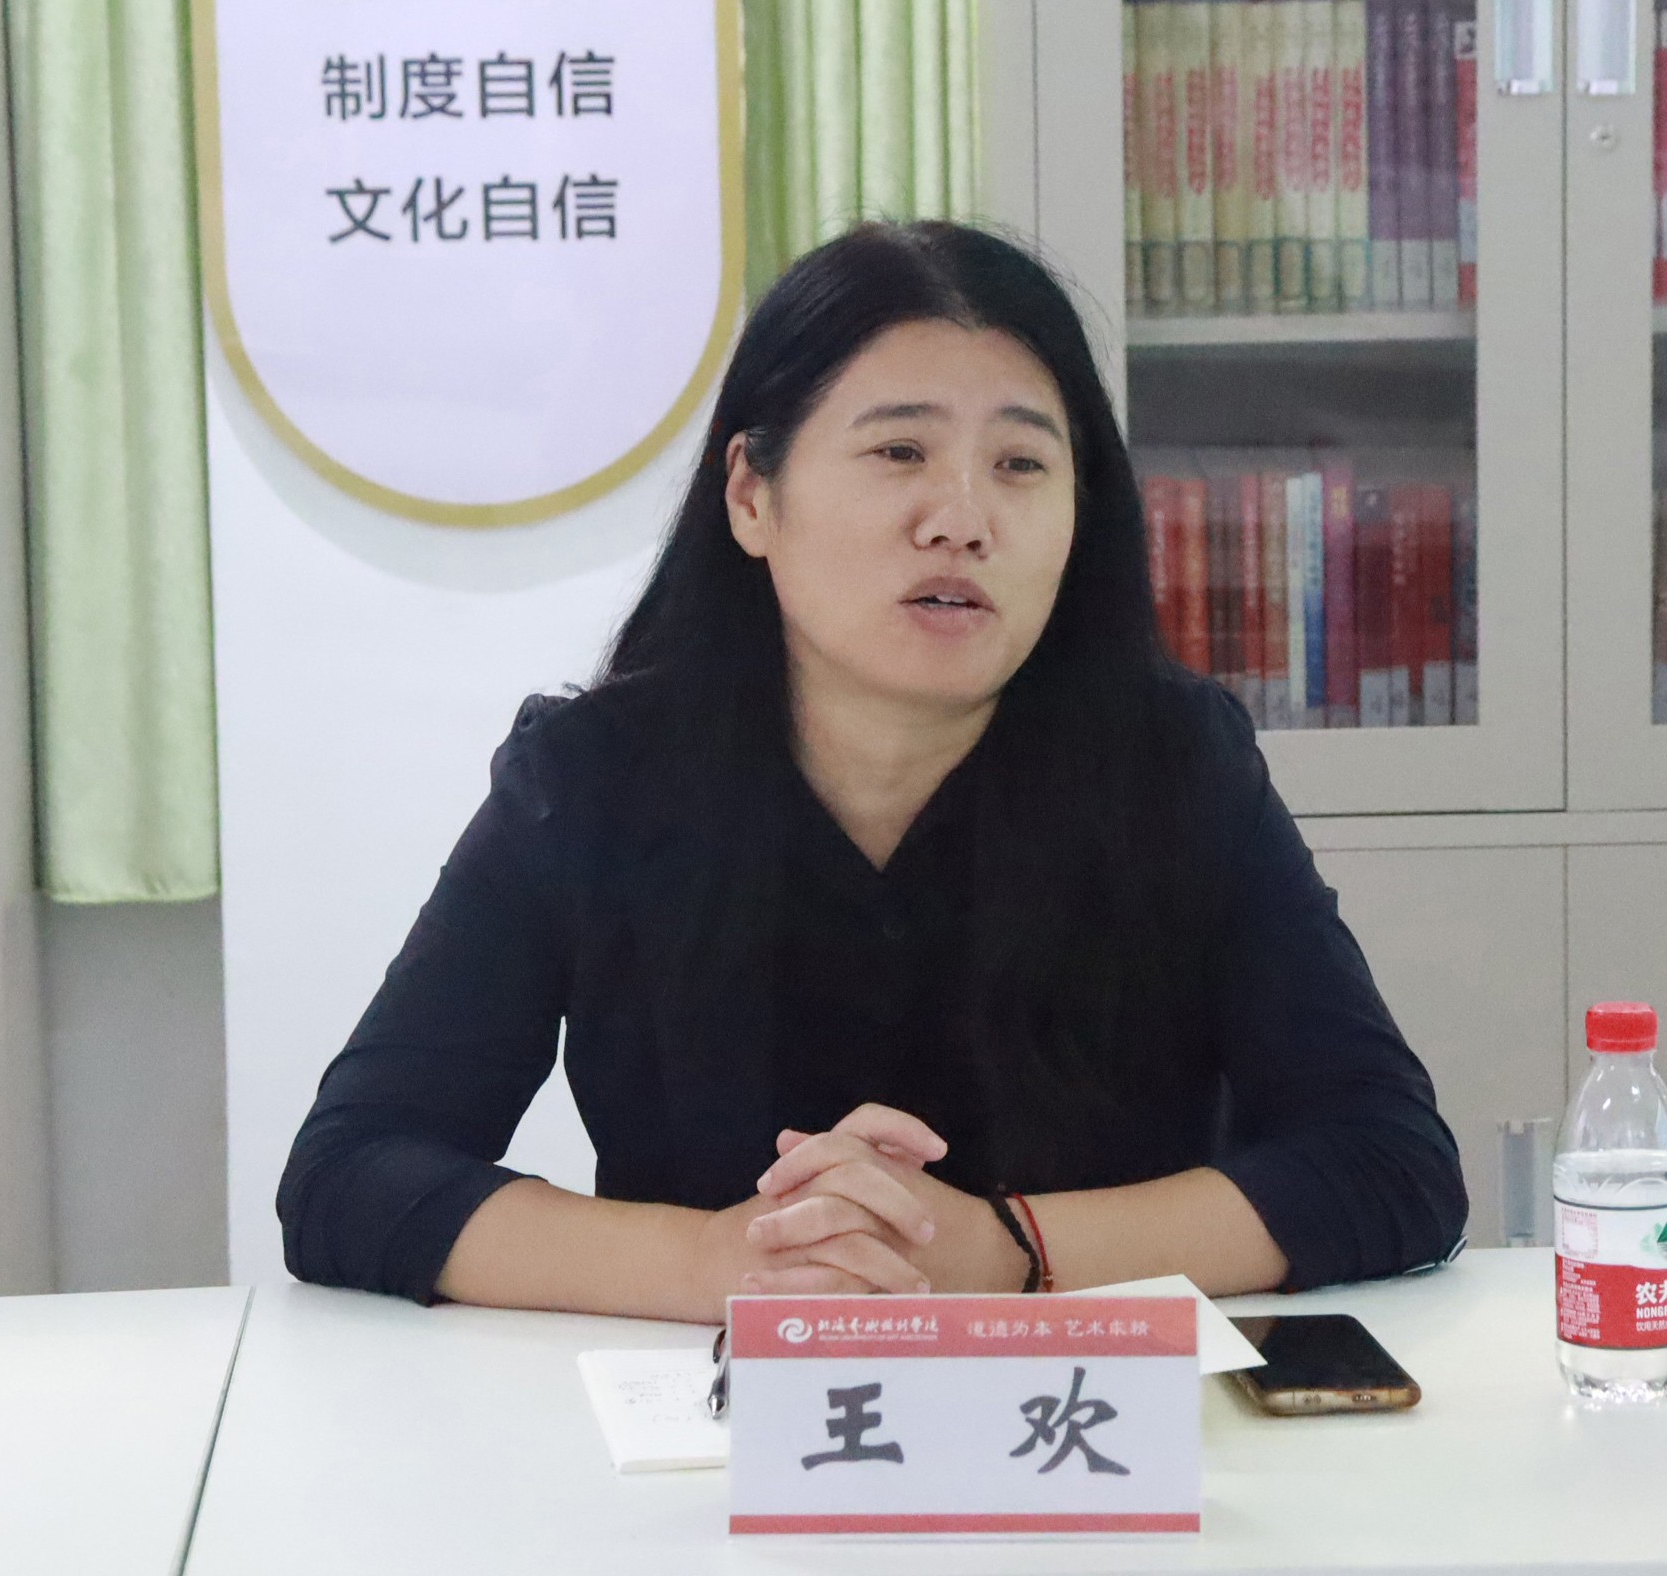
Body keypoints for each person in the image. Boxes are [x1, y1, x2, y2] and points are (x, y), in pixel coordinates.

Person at [277, 221, 1467, 1324]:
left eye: (1020, 463)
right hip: (720, 1443)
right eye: (899, 450)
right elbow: (352, 1172)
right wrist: (719, 1262)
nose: (960, 519)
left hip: (1100, 1437)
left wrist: (1006, 1251)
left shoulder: (1174, 768)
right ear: (752, 495)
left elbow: (1387, 1160)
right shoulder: (593, 780)